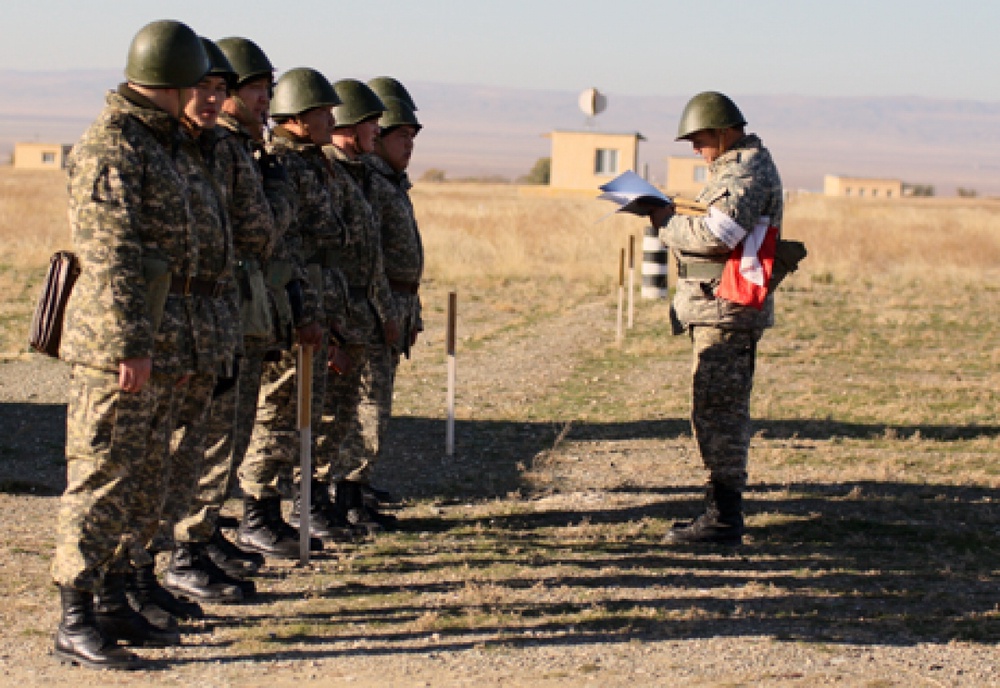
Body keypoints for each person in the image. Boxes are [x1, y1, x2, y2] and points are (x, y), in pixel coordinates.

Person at [51, 19, 210, 670]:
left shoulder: (158, 142)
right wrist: (129, 345)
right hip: (116, 347)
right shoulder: (114, 146)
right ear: (173, 81)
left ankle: (115, 596)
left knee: (140, 477)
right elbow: (112, 254)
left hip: (153, 339)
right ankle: (73, 615)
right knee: (101, 475)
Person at [649, 91, 783, 546]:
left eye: (700, 138)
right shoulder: (734, 168)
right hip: (718, 305)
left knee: (719, 414)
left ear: (725, 133)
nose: (695, 149)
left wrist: (664, 221)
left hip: (726, 307)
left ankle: (723, 519)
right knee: (713, 410)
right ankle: (720, 511)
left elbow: (716, 234)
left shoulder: (744, 171)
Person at [236, 67, 347, 556]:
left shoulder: (309, 161)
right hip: (286, 301)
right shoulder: (282, 162)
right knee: (277, 408)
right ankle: (257, 511)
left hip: (310, 296)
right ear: (299, 117)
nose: (331, 120)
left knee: (300, 409)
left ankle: (281, 506)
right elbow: (284, 240)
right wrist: (300, 308)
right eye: (323, 112)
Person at [317, 79, 400, 534]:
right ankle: (326, 501)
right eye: (371, 124)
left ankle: (347, 499)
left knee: (358, 414)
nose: (377, 132)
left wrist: (386, 311)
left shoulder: (354, 175)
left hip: (362, 313)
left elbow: (371, 260)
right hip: (340, 315)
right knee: (336, 416)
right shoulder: (331, 175)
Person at [358, 86, 424, 508]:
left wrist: (410, 311)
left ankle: (359, 483)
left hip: (398, 302)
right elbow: (372, 259)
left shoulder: (393, 184)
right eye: (402, 138)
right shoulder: (371, 185)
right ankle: (348, 487)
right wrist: (386, 312)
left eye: (413, 140)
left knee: (377, 406)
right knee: (364, 406)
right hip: (373, 308)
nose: (409, 148)